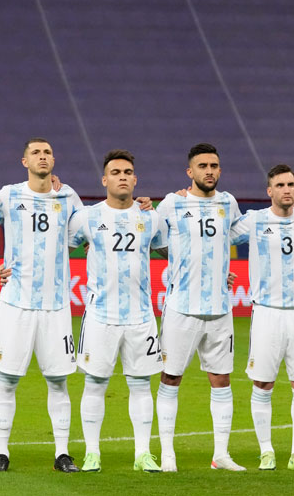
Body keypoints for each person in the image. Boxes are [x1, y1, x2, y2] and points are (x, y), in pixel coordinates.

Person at [0, 137, 83, 473]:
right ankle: (1, 452)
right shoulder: (8, 195)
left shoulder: (69, 197)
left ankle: (62, 453)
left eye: (48, 152)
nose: (42, 156)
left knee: (58, 381)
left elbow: (89, 237)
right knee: (6, 380)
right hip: (16, 303)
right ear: (25, 162)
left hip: (55, 305)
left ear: (53, 159)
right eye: (35, 152)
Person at [67, 150, 166, 473]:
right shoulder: (86, 217)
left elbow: (169, 250)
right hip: (101, 316)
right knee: (95, 383)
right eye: (116, 172)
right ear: (104, 180)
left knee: (140, 385)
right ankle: (92, 454)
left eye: (127, 172)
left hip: (141, 317)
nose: (122, 176)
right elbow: (60, 249)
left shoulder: (152, 218)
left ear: (135, 180)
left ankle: (142, 454)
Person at [154, 143, 244, 472]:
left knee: (221, 380)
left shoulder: (228, 203)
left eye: (214, 165)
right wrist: (182, 267)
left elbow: (231, 238)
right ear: (189, 172)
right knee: (170, 378)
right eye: (202, 166)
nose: (209, 171)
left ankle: (221, 454)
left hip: (220, 309)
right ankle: (167, 454)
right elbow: (156, 241)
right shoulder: (172, 203)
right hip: (181, 309)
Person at [230, 164, 294, 471]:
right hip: (267, 312)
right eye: (281, 185)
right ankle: (266, 451)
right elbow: (217, 237)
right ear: (269, 191)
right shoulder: (255, 221)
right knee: (262, 384)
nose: (287, 189)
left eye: (292, 184)